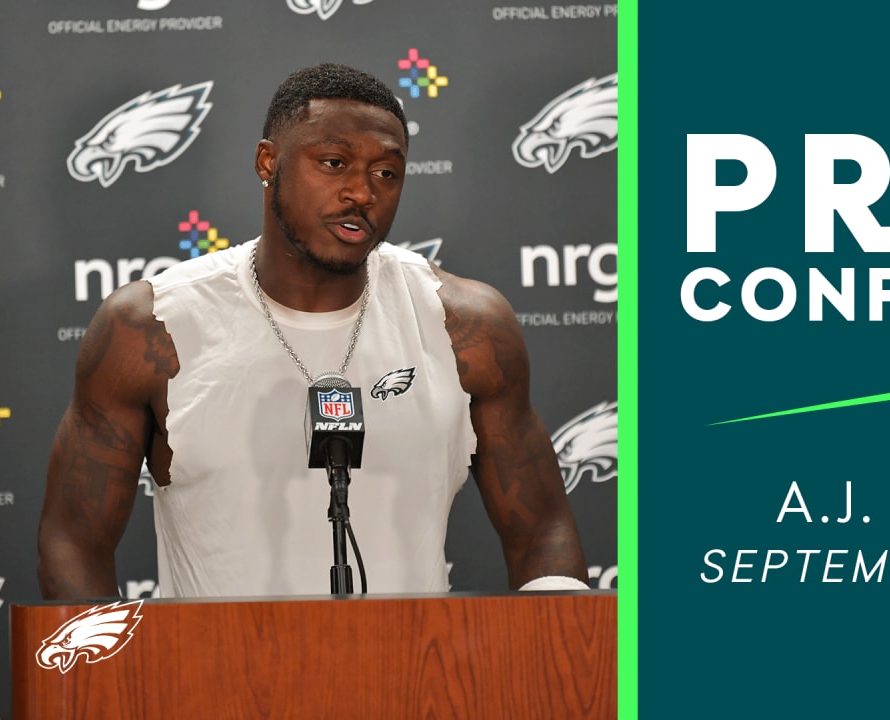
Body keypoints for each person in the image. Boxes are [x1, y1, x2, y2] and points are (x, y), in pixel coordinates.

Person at [38, 63, 589, 599]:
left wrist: (557, 668)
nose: (362, 192)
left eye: (386, 173)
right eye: (333, 162)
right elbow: (74, 541)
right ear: (267, 162)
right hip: (211, 688)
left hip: (416, 687)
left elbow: (541, 529)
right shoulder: (150, 328)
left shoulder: (466, 326)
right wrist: (105, 685)